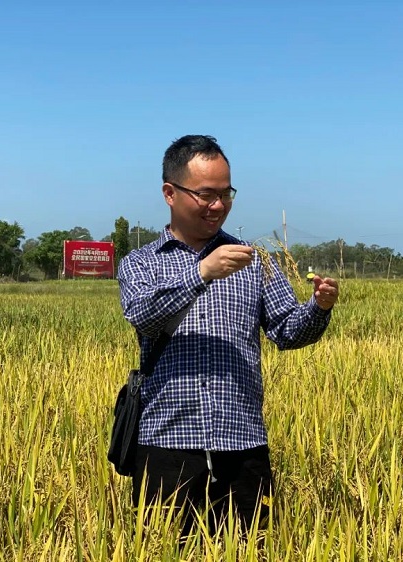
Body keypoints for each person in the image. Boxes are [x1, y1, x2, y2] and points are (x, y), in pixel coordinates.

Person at [117, 134, 339, 536]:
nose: (218, 205)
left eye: (226, 194)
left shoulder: (254, 260)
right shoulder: (141, 262)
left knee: (252, 546)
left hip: (242, 443)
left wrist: (318, 308)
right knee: (162, 548)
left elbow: (287, 331)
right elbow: (142, 316)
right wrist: (202, 273)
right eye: (206, 194)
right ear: (170, 193)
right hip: (166, 443)